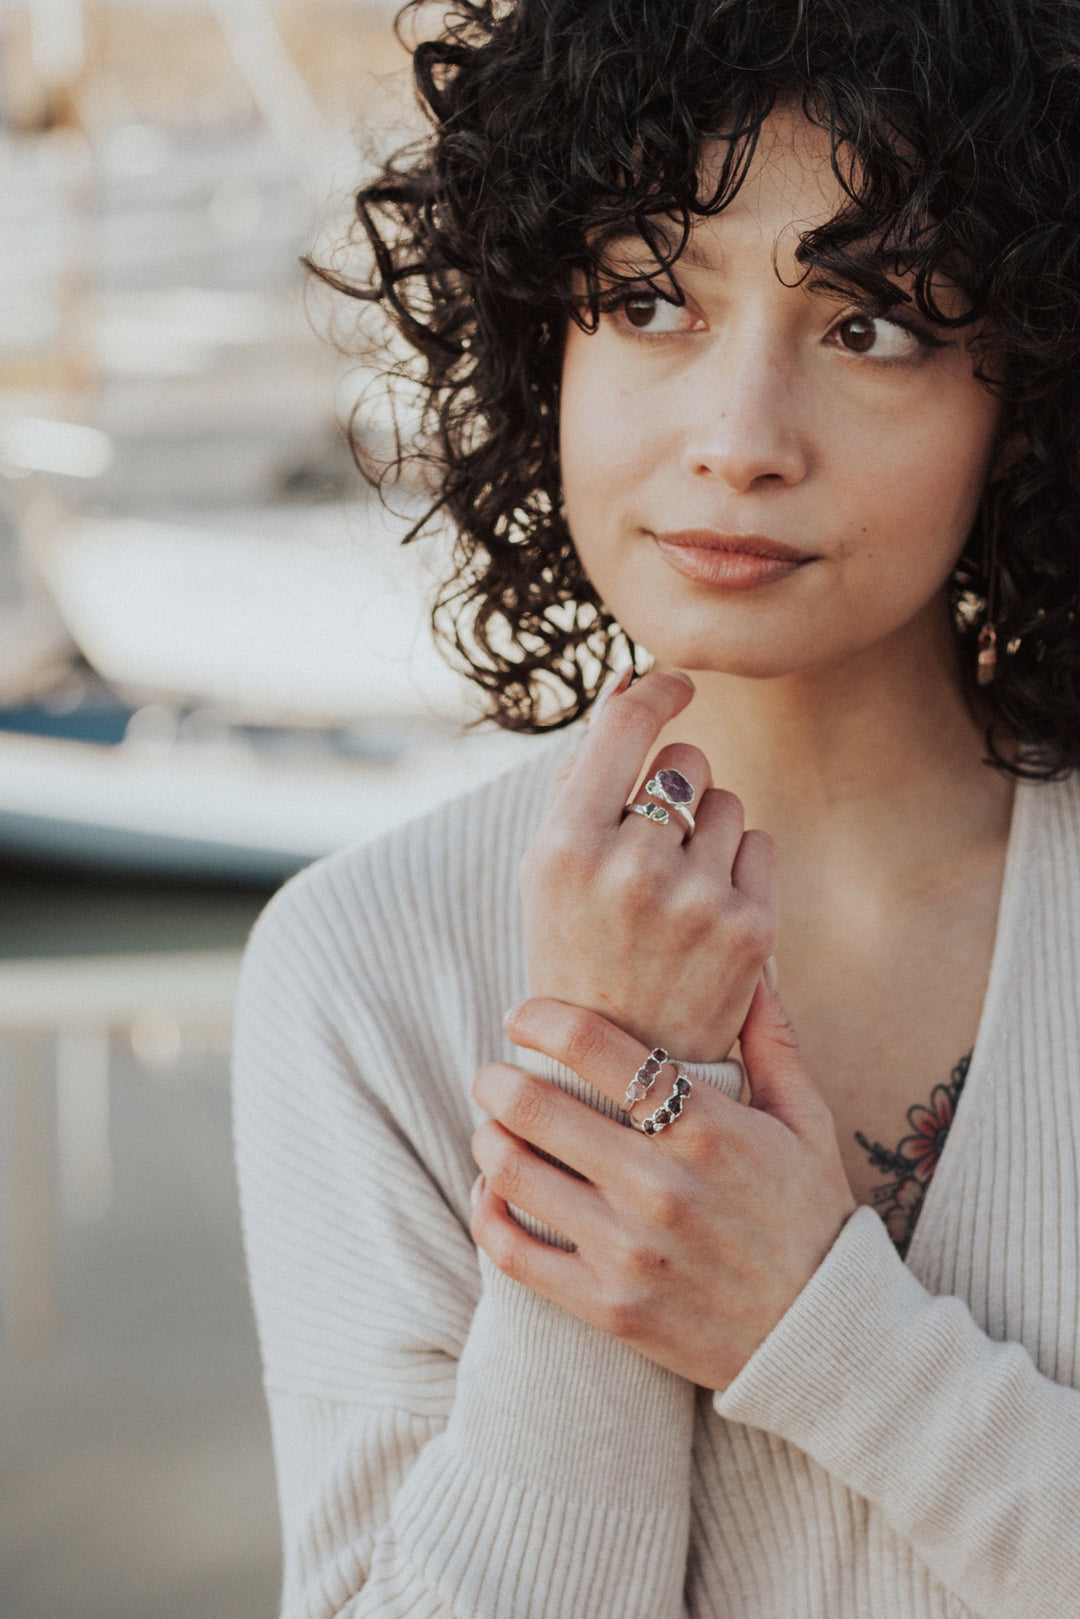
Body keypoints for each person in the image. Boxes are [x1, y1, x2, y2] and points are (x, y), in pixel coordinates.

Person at [232, 1, 1080, 1614]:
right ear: (541, 335)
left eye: (874, 325)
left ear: (1024, 389)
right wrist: (609, 1075)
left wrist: (825, 1340)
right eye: (644, 302)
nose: (739, 443)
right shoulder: (361, 969)